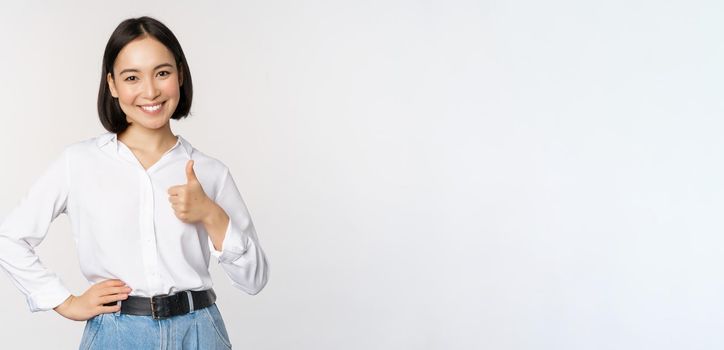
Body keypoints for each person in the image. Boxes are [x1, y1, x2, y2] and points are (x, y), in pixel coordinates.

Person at [0, 16, 269, 349]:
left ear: (180, 75)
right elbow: (9, 237)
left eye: (162, 73)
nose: (150, 91)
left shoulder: (209, 172)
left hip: (200, 332)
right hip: (116, 335)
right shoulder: (79, 163)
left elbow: (254, 280)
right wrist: (64, 301)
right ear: (112, 84)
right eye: (132, 77)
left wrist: (211, 214)